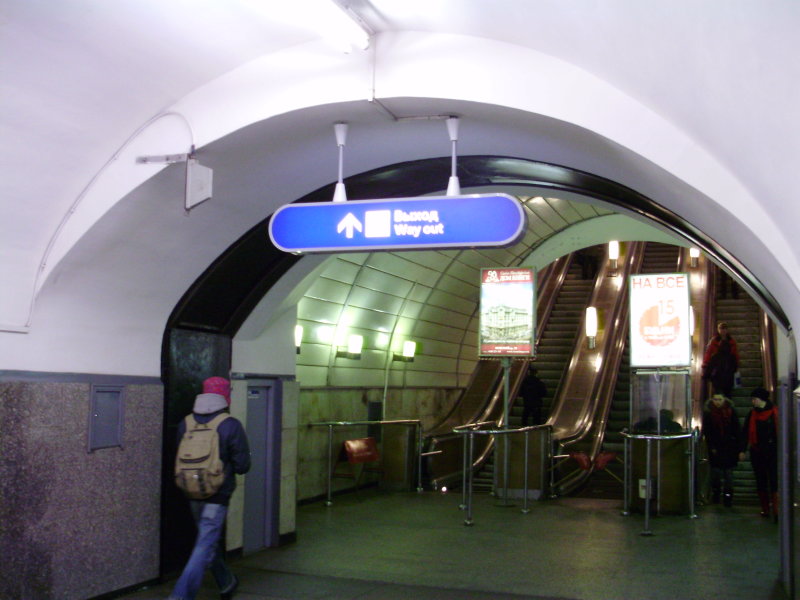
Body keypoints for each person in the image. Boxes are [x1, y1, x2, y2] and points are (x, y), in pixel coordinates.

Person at [170, 377, 251, 600]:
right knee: (204, 545)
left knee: (207, 541)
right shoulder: (230, 424)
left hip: (191, 491)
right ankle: (180, 596)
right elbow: (243, 466)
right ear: (225, 396)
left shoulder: (186, 423)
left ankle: (226, 582)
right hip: (217, 495)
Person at [740, 387, 778, 520]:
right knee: (760, 480)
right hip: (757, 451)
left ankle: (776, 509)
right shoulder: (752, 414)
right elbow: (745, 432)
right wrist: (742, 449)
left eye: (754, 399)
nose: (753, 401)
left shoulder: (774, 412)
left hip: (773, 451)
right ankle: (765, 508)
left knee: (774, 480)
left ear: (761, 399)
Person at [702, 393, 742, 506]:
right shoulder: (709, 413)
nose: (717, 402)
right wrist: (711, 446)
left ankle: (727, 497)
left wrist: (739, 448)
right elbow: (707, 432)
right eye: (715, 399)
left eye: (719, 399)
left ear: (724, 400)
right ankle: (716, 495)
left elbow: (737, 429)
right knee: (716, 474)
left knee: (728, 474)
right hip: (716, 448)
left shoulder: (730, 412)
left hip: (729, 447)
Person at [702, 322, 740, 399]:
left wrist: (706, 372)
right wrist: (705, 364)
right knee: (726, 393)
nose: (723, 331)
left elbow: (735, 353)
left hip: (722, 371)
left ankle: (722, 404)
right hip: (723, 371)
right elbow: (709, 352)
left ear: (727, 330)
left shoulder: (731, 341)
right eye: (721, 329)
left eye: (724, 329)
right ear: (718, 330)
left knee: (721, 393)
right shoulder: (714, 341)